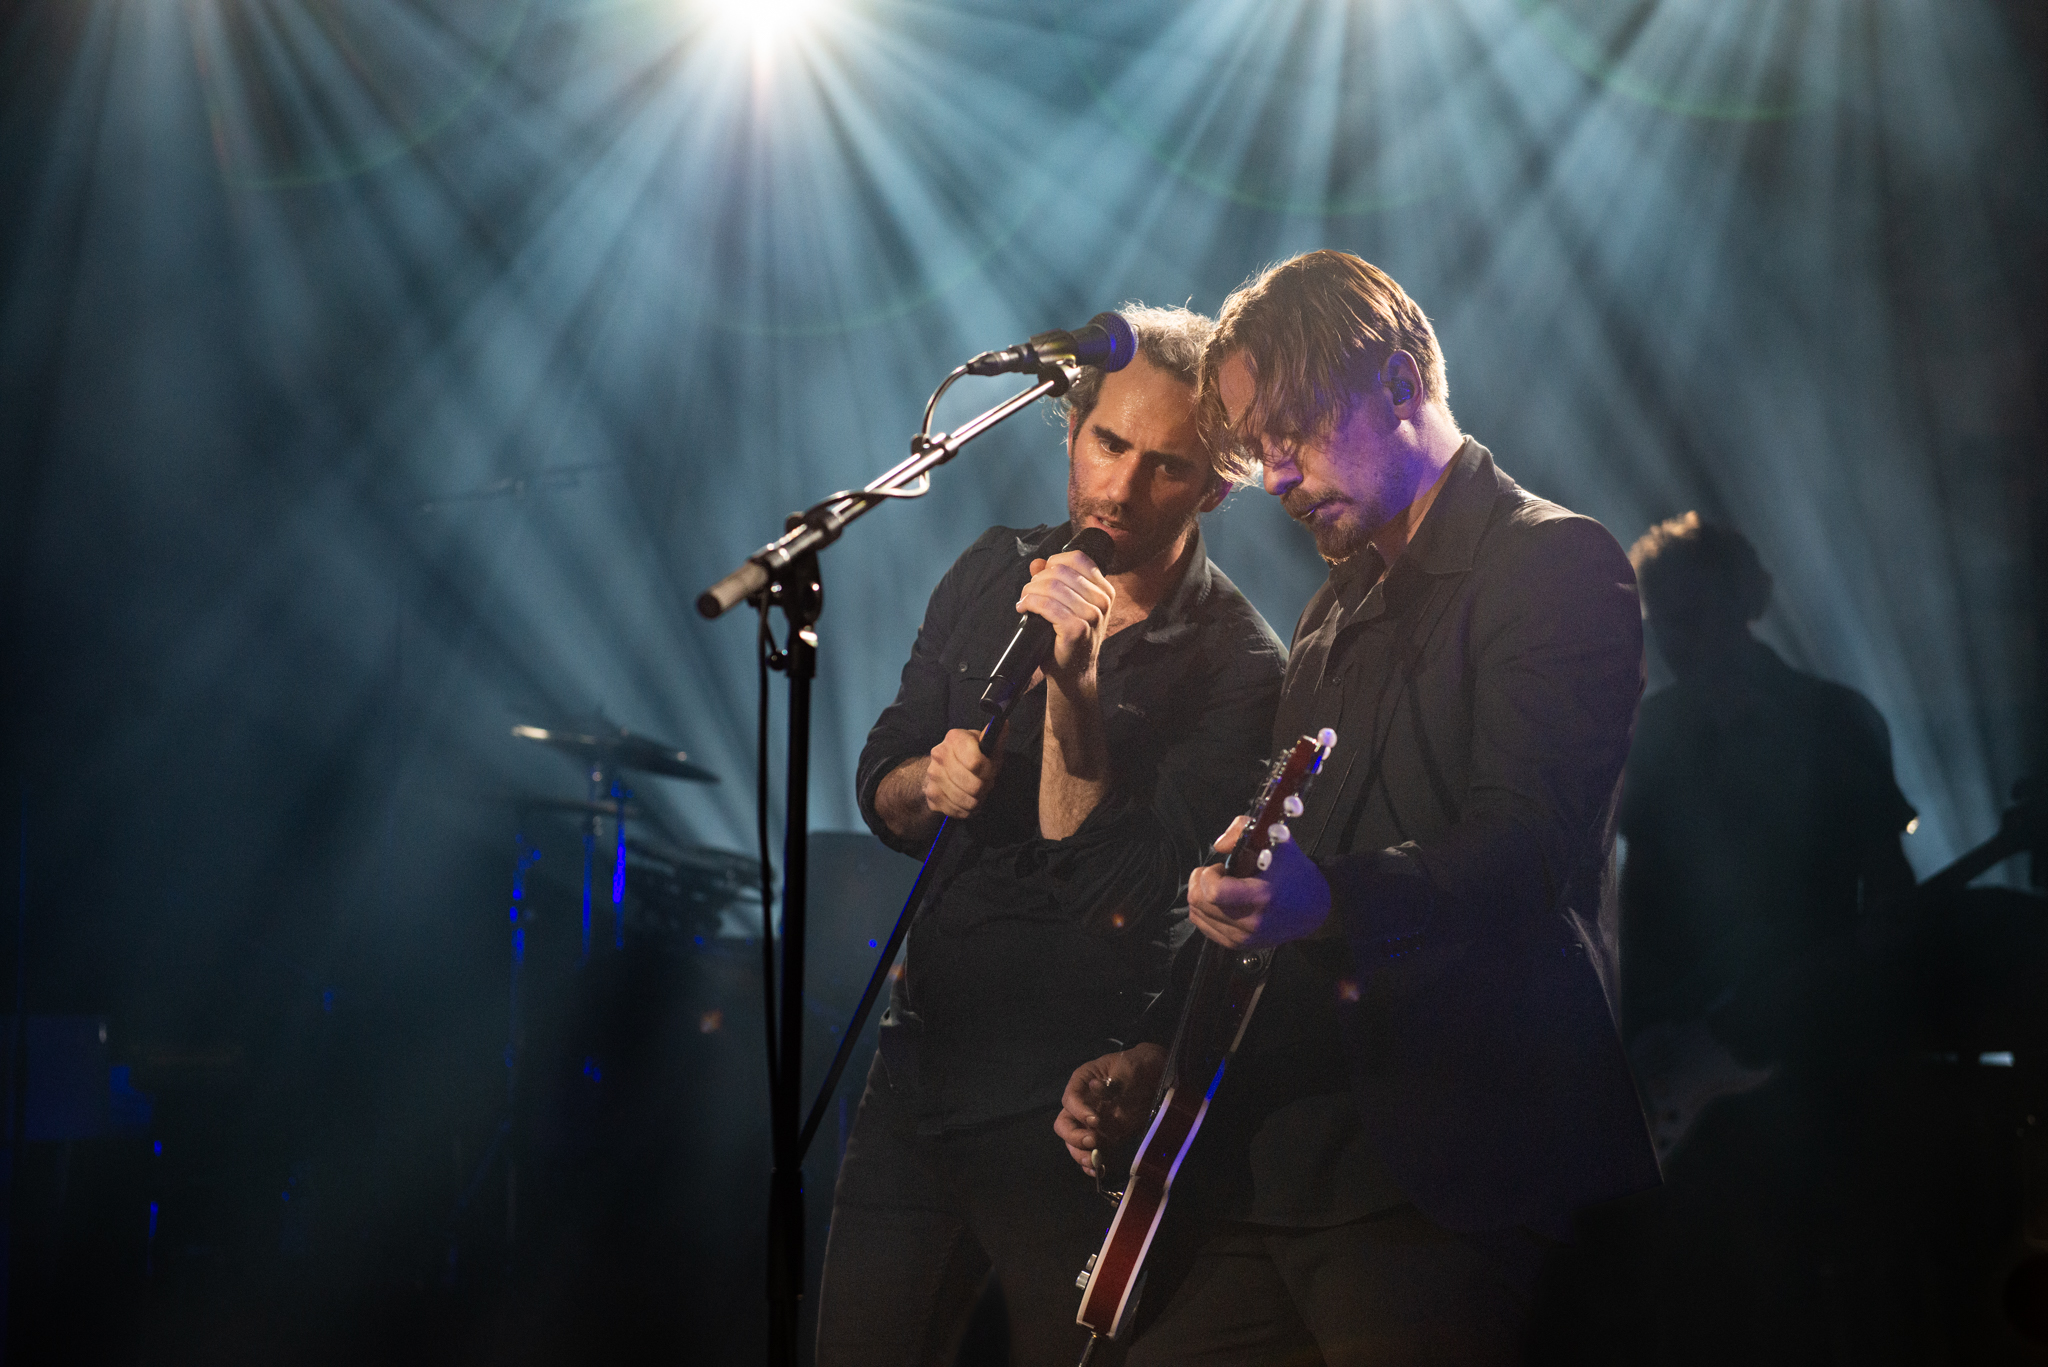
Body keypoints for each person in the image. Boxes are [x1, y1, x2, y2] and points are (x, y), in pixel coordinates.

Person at [1055, 251, 1660, 1365]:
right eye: (1258, 447)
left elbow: (1528, 848)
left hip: (1453, 1169)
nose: (1277, 476)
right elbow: (1284, 872)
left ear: (1397, 384)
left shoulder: (1553, 563)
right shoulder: (1332, 610)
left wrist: (1327, 897)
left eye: (1294, 433)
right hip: (1270, 1163)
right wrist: (1157, 1046)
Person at [814, 304, 1287, 1367]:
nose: (1120, 487)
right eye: (1107, 442)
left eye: (1166, 466)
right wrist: (924, 780)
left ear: (1214, 487)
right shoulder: (993, 571)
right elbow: (880, 783)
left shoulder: (1240, 663)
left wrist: (1075, 683)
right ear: (1070, 429)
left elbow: (1126, 889)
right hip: (921, 1063)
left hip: (1074, 1103)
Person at [1618, 511, 1916, 1068]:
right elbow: (1636, 892)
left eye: (1693, 615)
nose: (1676, 639)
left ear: (1744, 603)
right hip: (1680, 1040)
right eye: (1662, 622)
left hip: (1815, 1040)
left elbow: (1888, 881)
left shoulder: (1837, 721)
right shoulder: (1649, 733)